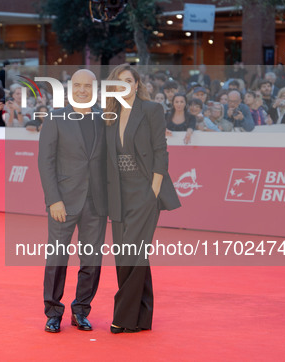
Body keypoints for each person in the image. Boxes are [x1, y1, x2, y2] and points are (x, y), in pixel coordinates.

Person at [103, 64, 180, 334]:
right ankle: (142, 316)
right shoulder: (109, 115)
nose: (124, 86)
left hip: (145, 190)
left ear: (136, 84)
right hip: (118, 193)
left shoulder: (151, 110)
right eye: (118, 82)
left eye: (128, 81)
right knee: (127, 253)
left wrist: (154, 191)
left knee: (132, 252)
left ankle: (122, 317)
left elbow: (161, 150)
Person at [38, 69, 108, 334]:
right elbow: (45, 162)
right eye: (77, 85)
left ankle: (81, 310)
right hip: (63, 203)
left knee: (91, 260)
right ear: (69, 89)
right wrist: (53, 199)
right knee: (57, 258)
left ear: (95, 90)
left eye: (87, 86)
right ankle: (53, 311)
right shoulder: (55, 117)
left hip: (97, 203)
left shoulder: (105, 118)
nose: (82, 90)